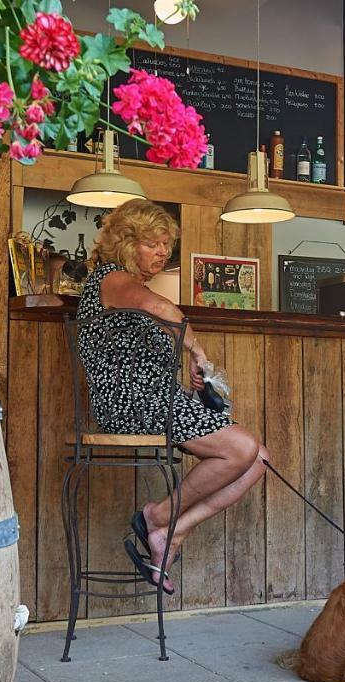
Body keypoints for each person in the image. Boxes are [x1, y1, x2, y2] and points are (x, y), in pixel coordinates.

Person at [76, 198, 267, 595]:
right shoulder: (112, 279)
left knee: (258, 460)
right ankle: (154, 518)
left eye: (166, 244)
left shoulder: (130, 288)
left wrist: (186, 387)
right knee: (241, 448)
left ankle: (170, 531)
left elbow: (143, 355)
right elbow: (160, 306)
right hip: (129, 403)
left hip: (155, 398)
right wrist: (197, 352)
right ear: (127, 244)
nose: (162, 251)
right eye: (152, 243)